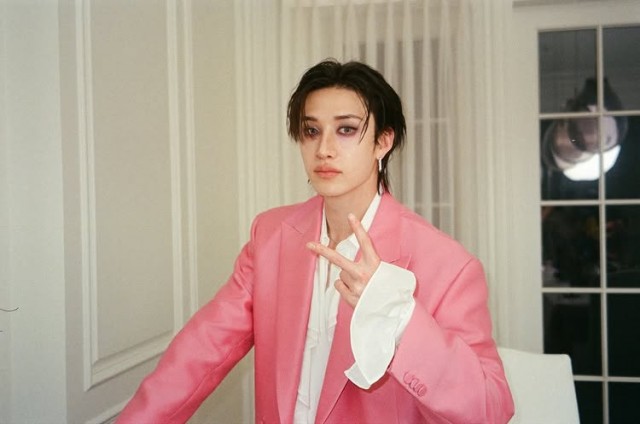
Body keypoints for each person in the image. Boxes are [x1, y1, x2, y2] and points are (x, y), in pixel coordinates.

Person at [117, 59, 514, 424]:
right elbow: (200, 353)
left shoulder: (448, 265)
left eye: (346, 129)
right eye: (311, 131)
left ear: (383, 141)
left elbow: (489, 408)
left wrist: (398, 316)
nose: (324, 149)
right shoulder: (271, 236)